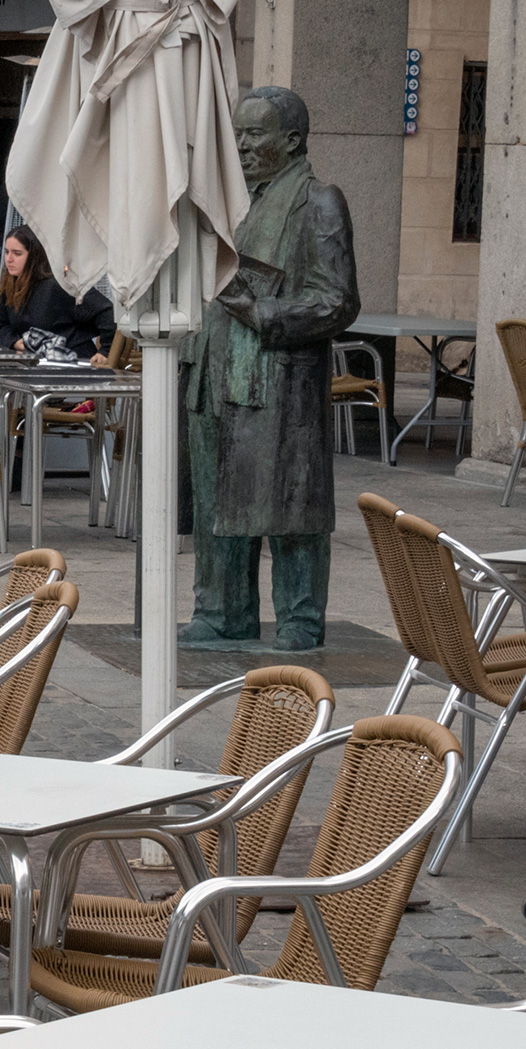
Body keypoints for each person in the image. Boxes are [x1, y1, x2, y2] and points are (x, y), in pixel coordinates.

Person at [180, 85, 359, 651]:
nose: (242, 145)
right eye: (237, 135)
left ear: (292, 140)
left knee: (289, 503)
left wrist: (261, 310)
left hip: (279, 380)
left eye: (254, 134)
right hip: (216, 375)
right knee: (216, 508)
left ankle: (300, 615)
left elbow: (337, 302)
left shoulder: (318, 202)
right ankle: (221, 611)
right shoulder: (234, 203)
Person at [0, 225, 114, 361]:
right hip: (33, 362)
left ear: (34, 256)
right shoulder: (9, 286)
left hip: (72, 361)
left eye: (17, 253)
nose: (9, 259)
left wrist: (105, 351)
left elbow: (107, 311)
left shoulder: (60, 284)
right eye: (7, 252)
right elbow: (2, 323)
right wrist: (13, 341)